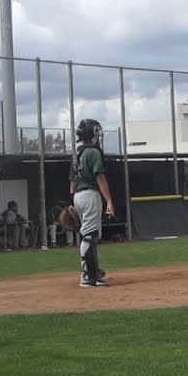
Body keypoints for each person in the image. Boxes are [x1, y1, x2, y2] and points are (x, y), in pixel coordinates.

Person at [70, 118, 114, 287]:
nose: (98, 134)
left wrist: (72, 198)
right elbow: (100, 177)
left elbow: (72, 179)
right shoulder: (93, 152)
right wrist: (109, 200)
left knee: (91, 234)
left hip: (79, 195)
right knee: (89, 235)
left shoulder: (78, 153)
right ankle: (88, 276)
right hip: (89, 194)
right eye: (96, 131)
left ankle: (93, 270)